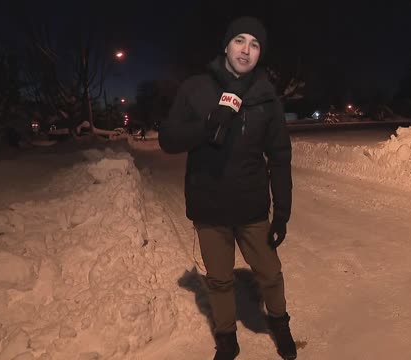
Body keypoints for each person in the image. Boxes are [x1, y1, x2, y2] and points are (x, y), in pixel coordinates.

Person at [159, 16, 297, 360]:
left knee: (270, 273)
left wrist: (281, 211)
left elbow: (280, 156)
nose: (246, 50)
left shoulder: (266, 97)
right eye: (240, 41)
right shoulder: (195, 88)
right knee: (219, 280)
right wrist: (207, 125)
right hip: (209, 206)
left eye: (254, 44)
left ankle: (279, 322)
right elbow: (168, 140)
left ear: (259, 53)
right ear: (225, 45)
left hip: (251, 207)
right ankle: (226, 336)